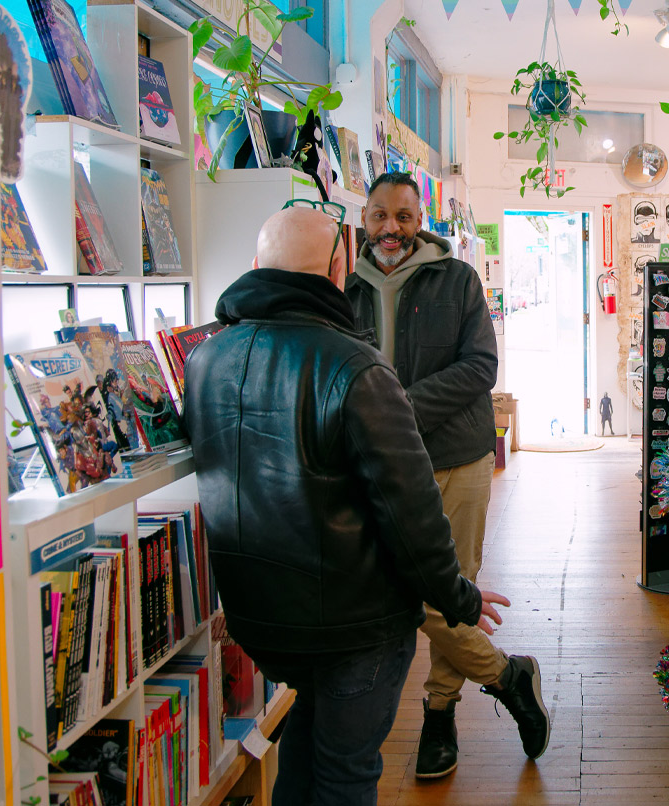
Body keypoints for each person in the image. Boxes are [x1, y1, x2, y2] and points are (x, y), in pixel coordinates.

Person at [184, 204, 511, 804]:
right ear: (340, 269)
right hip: (354, 624)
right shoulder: (356, 367)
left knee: (306, 751)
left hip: (260, 617)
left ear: (255, 266)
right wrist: (458, 598)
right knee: (347, 775)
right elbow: (410, 513)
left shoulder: (204, 360)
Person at [346, 172, 551, 780]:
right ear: (364, 218)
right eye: (380, 215)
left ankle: (439, 712)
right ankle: (508, 677)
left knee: (455, 583)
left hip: (458, 458)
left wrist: (397, 408)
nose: (392, 228)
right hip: (378, 467)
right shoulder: (341, 288)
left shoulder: (456, 278)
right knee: (416, 594)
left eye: (403, 216)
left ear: (419, 219)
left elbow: (480, 365)